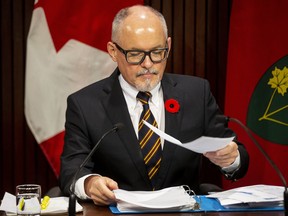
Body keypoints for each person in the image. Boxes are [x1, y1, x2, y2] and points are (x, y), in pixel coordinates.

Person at [59, 5, 249, 206]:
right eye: (135, 54)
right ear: (113, 52)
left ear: (168, 45)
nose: (148, 64)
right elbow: (72, 170)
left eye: (157, 52)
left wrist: (231, 158)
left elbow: (238, 156)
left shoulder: (196, 93)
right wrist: (89, 183)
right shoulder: (85, 104)